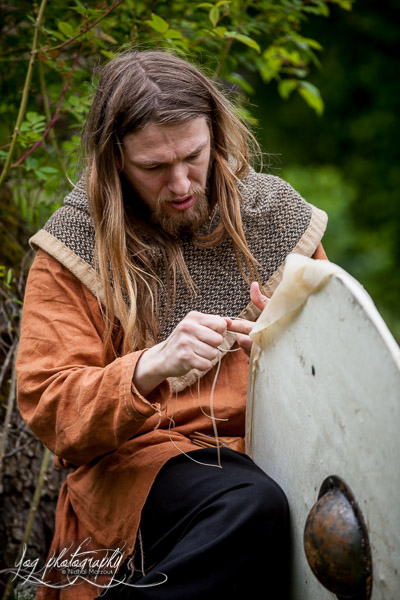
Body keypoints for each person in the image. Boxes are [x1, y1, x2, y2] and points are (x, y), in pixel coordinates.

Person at [16, 50, 328, 600]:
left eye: (193, 156)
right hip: (144, 468)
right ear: (115, 161)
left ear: (215, 135)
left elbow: (342, 360)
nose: (181, 183)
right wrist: (147, 367)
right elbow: (49, 404)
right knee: (249, 504)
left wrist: (287, 333)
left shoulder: (275, 220)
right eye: (154, 168)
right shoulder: (73, 250)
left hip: (280, 455)